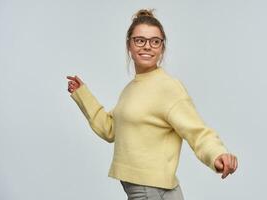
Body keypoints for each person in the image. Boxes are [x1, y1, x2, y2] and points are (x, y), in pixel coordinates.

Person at [66, 8, 238, 200]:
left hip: (151, 191)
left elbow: (197, 131)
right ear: (129, 45)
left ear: (161, 48)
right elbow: (111, 129)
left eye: (155, 41)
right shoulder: (131, 89)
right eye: (140, 40)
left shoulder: (168, 87)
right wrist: (83, 95)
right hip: (145, 190)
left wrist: (217, 154)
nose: (147, 46)